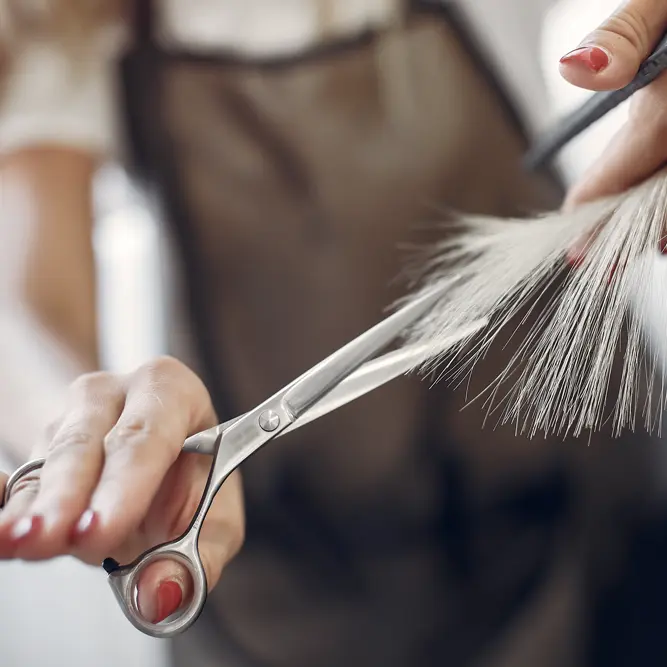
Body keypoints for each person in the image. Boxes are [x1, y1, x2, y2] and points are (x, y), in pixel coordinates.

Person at [0, 1, 666, 666]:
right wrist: (95, 435)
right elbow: (29, 301)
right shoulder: (70, 19)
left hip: (581, 513)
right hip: (294, 578)